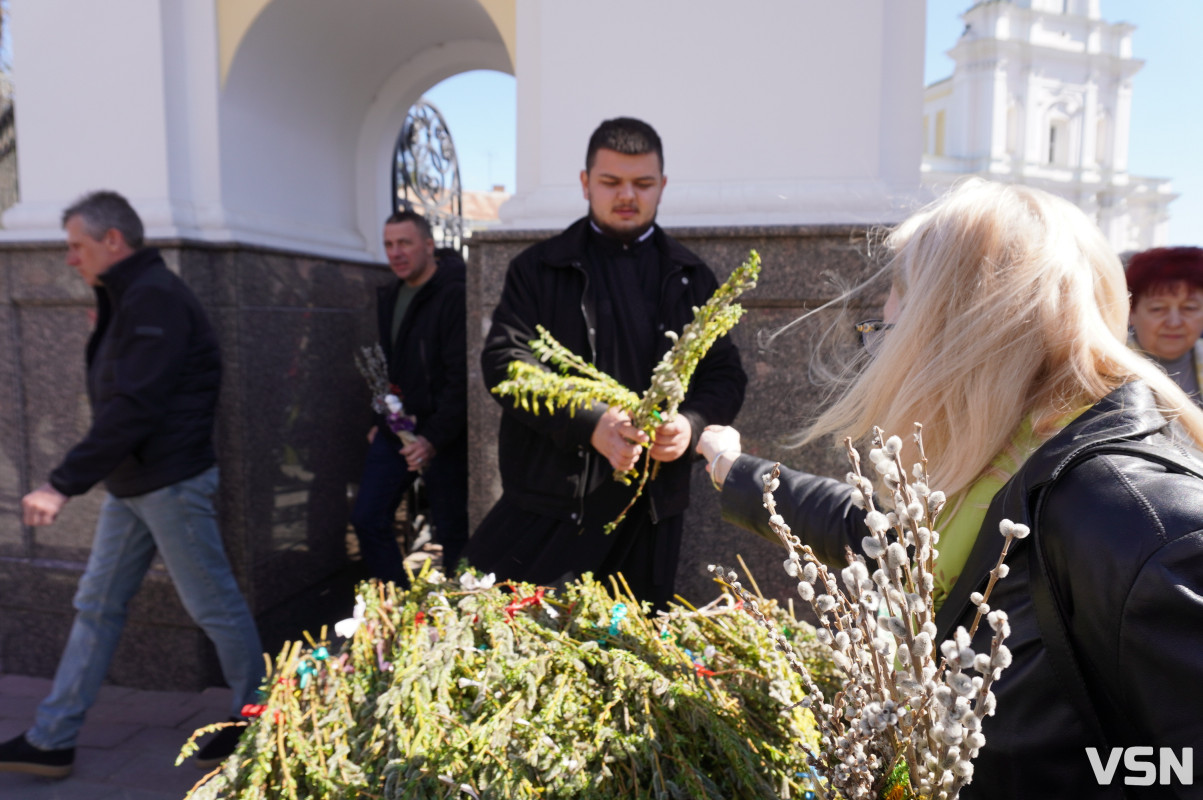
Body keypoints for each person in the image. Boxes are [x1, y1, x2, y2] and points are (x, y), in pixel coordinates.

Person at [698, 179, 1203, 798]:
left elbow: (1184, 763)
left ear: (959, 335)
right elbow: (880, 537)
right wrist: (737, 472)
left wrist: (1073, 775)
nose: (883, 350)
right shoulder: (1010, 457)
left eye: (889, 328)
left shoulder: (1137, 517)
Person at [0, 191, 265, 777]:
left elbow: (135, 407)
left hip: (169, 482)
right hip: (136, 483)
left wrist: (60, 484)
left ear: (112, 240)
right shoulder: (131, 296)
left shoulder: (154, 299)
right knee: (97, 604)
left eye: (77, 246)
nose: (70, 258)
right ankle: (52, 739)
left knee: (213, 604)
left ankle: (264, 720)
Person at [466, 117, 747, 609]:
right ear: (585, 183)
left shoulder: (692, 277)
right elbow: (506, 365)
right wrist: (591, 423)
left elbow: (725, 375)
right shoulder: (537, 269)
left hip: (649, 518)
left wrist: (689, 424)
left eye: (642, 184)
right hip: (552, 508)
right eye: (611, 182)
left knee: (631, 660)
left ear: (662, 186)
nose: (627, 196)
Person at [349, 210, 468, 582]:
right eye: (388, 244)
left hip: (445, 435)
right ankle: (400, 607)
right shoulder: (391, 293)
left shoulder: (456, 293)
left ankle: (460, 619)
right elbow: (389, 365)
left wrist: (433, 439)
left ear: (428, 245)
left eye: (405, 243)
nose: (395, 252)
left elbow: (462, 377)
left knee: (454, 535)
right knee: (367, 517)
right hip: (396, 427)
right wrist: (377, 421)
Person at [1126, 246, 1203, 405]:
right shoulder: (1105, 371)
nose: (1174, 323)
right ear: (1131, 312)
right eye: (1157, 309)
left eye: (1189, 308)